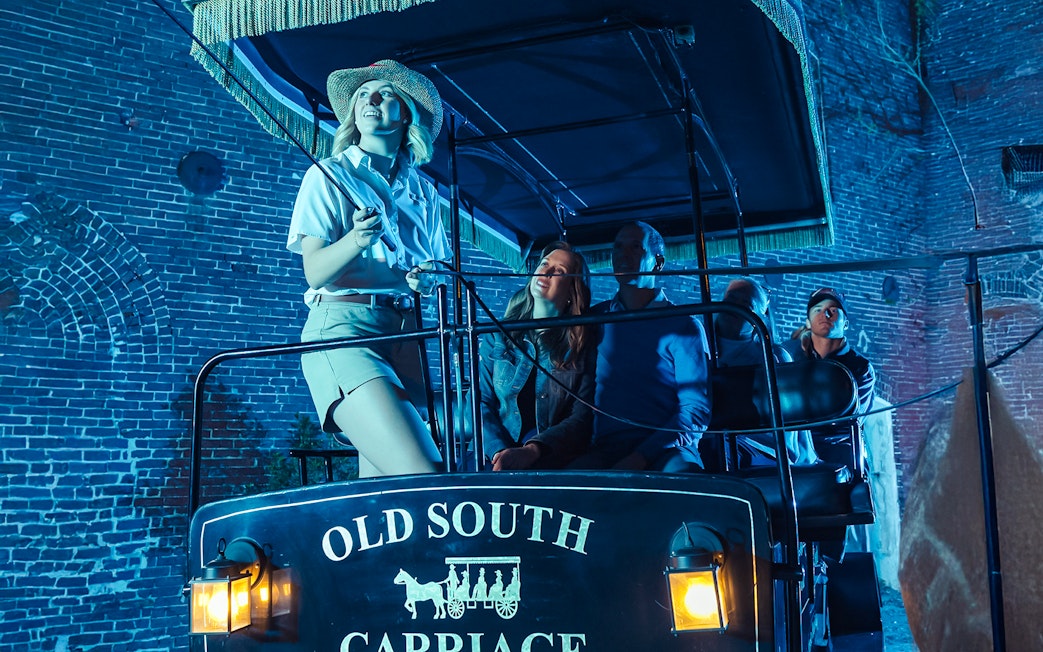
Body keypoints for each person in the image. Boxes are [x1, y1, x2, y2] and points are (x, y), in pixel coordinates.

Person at [287, 60, 449, 478]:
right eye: (362, 94)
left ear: (407, 114)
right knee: (423, 474)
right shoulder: (327, 175)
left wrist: (427, 277)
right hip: (345, 330)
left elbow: (438, 269)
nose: (370, 100)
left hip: (406, 336)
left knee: (382, 495)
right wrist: (357, 240)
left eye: (385, 93)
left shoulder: (425, 192)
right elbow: (315, 271)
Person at [571, 222, 711, 471]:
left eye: (636, 247)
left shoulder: (683, 325)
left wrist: (641, 456)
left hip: (669, 448)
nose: (623, 254)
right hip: (606, 448)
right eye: (618, 247)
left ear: (658, 263)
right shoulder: (595, 318)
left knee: (685, 484)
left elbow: (695, 409)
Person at [477, 242, 596, 470]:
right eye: (544, 264)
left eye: (559, 271)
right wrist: (499, 451)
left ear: (572, 291)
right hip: (489, 455)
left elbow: (582, 417)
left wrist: (533, 450)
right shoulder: (498, 335)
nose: (546, 272)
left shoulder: (582, 346)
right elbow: (479, 401)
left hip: (549, 459)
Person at [711, 277, 819, 468]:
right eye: (731, 298)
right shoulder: (697, 346)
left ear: (759, 316)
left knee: (716, 452)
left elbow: (787, 422)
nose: (735, 307)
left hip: (765, 448)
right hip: (715, 439)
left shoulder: (773, 357)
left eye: (745, 304)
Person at [789, 287, 876, 468]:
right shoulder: (791, 360)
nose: (825, 314)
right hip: (794, 455)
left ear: (845, 323)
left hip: (840, 457)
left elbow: (850, 419)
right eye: (817, 310)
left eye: (833, 310)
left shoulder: (860, 368)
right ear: (808, 321)